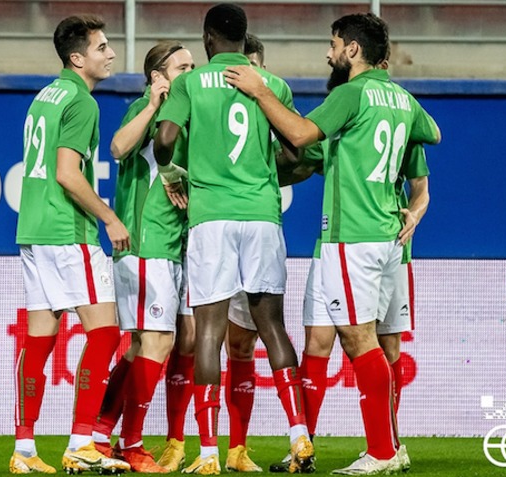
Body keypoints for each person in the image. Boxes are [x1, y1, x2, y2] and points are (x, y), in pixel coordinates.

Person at [225, 12, 440, 475]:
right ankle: (309, 448)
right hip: (370, 236)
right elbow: (434, 134)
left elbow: (301, 134)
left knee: (361, 340)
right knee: (321, 339)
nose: (329, 53)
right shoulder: (401, 100)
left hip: (354, 235)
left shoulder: (351, 94)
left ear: (353, 49)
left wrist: (261, 91)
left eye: (334, 44)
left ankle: (383, 450)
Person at [155, 4, 315, 475]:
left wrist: (171, 171)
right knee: (273, 328)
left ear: (208, 38)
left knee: (209, 332)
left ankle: (207, 453)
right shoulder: (272, 84)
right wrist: (261, 173)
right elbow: (297, 152)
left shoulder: (189, 83)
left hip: (211, 218)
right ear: (245, 39)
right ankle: (299, 436)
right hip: (262, 216)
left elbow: (164, 139)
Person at [10, 14, 131, 475]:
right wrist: (110, 217)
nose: (111, 53)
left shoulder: (46, 95)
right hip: (66, 231)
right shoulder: (82, 101)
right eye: (102, 48)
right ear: (78, 58)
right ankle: (82, 442)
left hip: (32, 229)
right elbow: (66, 173)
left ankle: (24, 449)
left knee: (39, 339)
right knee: (105, 332)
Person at [89, 40, 195, 474]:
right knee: (157, 342)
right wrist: (152, 104)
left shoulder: (185, 114)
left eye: (193, 66)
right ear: (158, 76)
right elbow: (117, 147)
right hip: (146, 245)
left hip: (169, 245)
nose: (191, 73)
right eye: (182, 67)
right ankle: (131, 444)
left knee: (138, 347)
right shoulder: (147, 108)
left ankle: (100, 433)